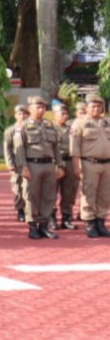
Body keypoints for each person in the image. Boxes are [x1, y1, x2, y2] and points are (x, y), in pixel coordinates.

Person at [14, 96, 62, 240]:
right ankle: (33, 226)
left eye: (43, 107)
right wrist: (23, 167)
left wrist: (59, 165)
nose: (41, 110)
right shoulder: (22, 126)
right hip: (32, 165)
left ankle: (44, 226)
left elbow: (56, 147)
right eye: (38, 107)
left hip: (49, 165)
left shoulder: (50, 125)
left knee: (48, 196)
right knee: (31, 197)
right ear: (30, 109)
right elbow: (19, 148)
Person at [71, 94, 110, 238]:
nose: (96, 108)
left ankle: (101, 222)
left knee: (105, 195)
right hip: (89, 163)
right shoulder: (80, 123)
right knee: (89, 194)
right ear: (86, 107)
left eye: (99, 105)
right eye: (93, 105)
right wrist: (76, 166)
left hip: (107, 164)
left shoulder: (107, 122)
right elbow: (75, 147)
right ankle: (90, 223)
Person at [53, 104, 79, 231]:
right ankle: (51, 219)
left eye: (67, 114)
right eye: (62, 113)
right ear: (55, 114)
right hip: (55, 163)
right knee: (51, 192)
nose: (65, 116)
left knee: (69, 192)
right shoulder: (49, 128)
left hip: (69, 162)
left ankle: (67, 218)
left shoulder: (72, 129)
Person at [2, 104, 29, 223]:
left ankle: (30, 210)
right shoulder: (10, 130)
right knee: (18, 188)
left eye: (24, 113)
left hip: (30, 162)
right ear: (15, 115)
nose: (22, 116)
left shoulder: (31, 128)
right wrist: (10, 163)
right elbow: (7, 147)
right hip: (17, 163)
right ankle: (20, 210)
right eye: (19, 113)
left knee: (29, 188)